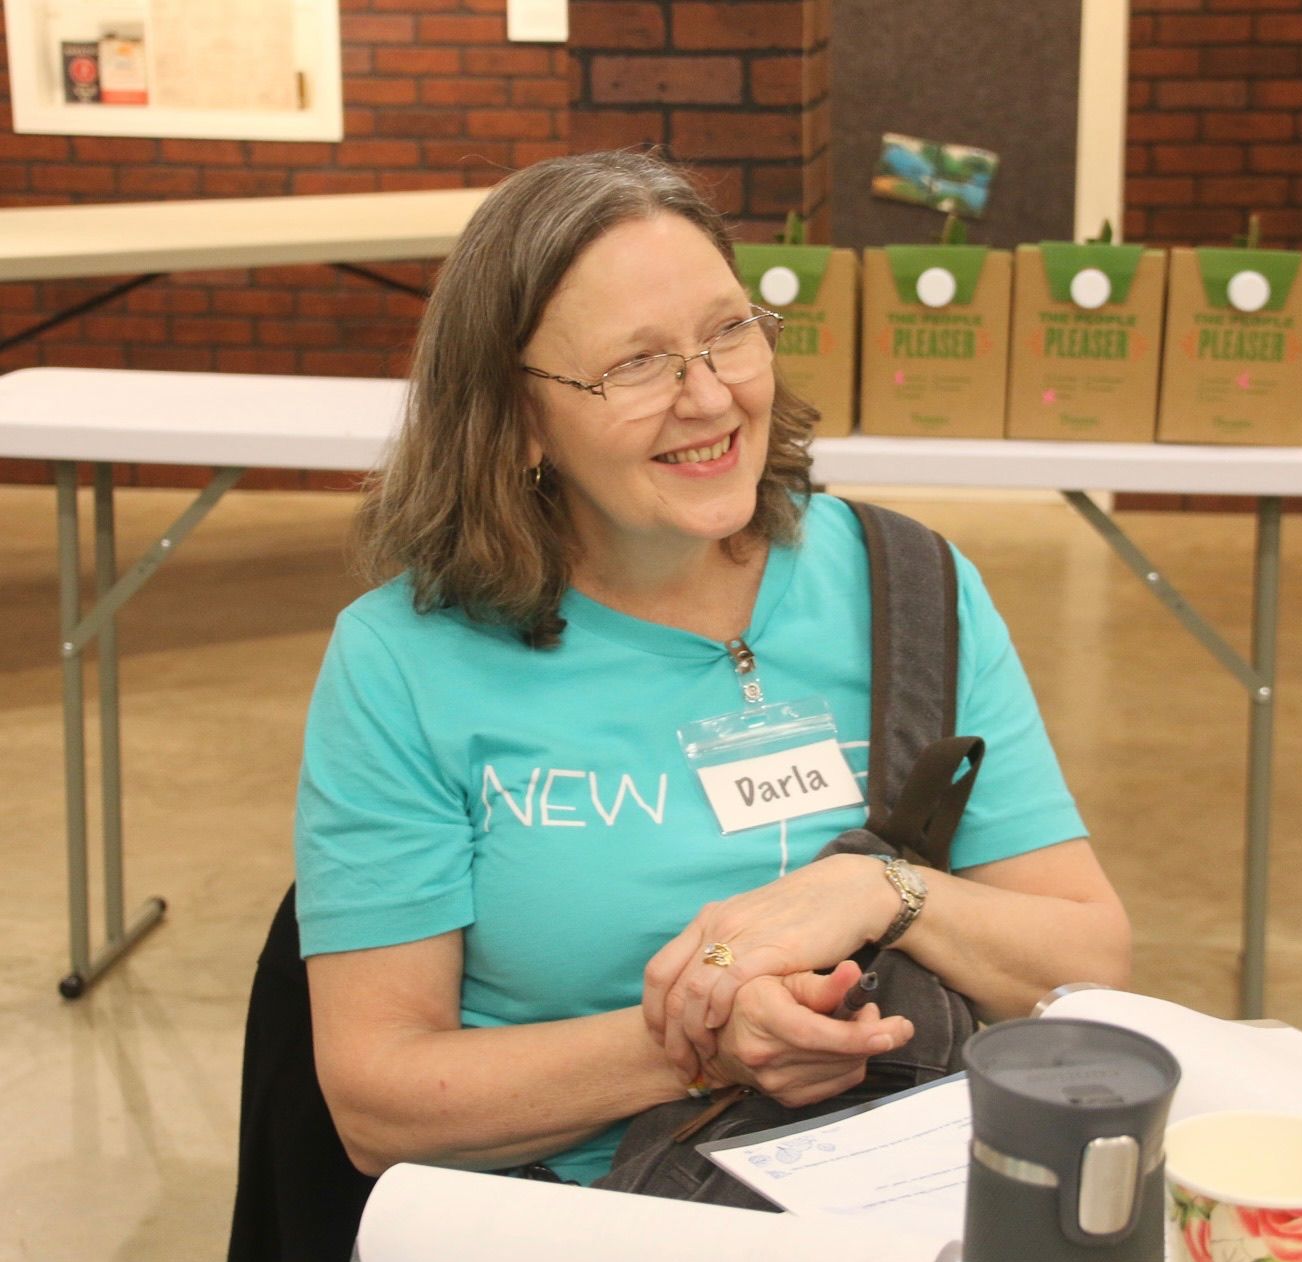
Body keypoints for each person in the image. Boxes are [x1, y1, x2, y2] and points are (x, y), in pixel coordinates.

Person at [296, 149, 1132, 1189]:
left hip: (900, 1192)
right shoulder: (404, 661)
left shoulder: (909, 587)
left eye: (729, 331)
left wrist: (885, 893)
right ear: (516, 421)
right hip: (591, 1228)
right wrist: (703, 1040)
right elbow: (378, 1101)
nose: (710, 397)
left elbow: (1089, 965)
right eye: (635, 364)